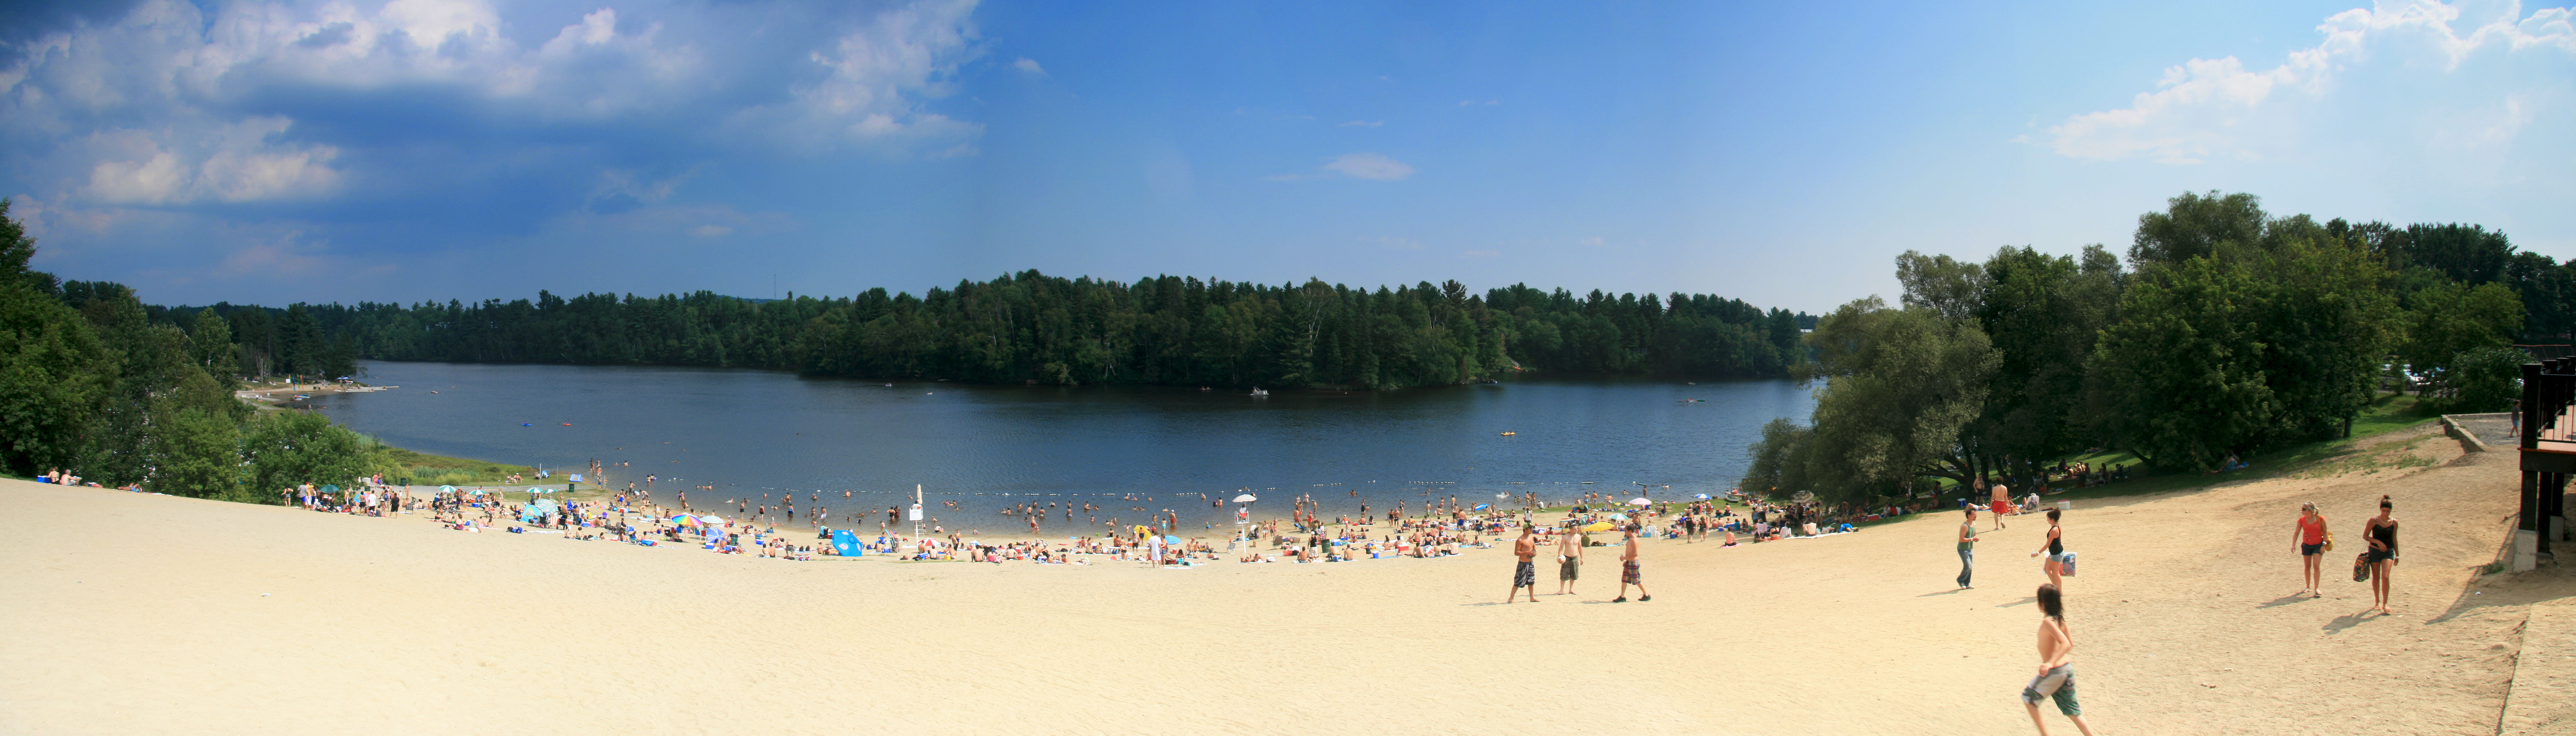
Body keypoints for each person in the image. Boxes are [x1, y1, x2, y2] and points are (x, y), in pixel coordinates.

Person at [2021, 584, 2096, 735]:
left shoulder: (2048, 622)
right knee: (2073, 712)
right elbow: (2071, 643)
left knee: (2028, 698)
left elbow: (2066, 644)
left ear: (2042, 603)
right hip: (2067, 670)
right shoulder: (2060, 620)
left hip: (2055, 672)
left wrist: (2050, 663)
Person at [2365, 496, 2398, 615]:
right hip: (2374, 551)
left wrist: (2398, 555)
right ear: (2380, 509)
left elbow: (2394, 539)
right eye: (2384, 511)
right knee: (2376, 577)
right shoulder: (2373, 521)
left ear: (2391, 511)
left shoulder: (2394, 523)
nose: (2386, 513)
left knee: (2385, 576)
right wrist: (2378, 542)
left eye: (2388, 511)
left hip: (2388, 552)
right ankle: (2377, 602)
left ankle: (2386, 603)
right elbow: (2366, 536)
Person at [2294, 502, 2328, 598]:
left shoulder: (2320, 519)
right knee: (2307, 567)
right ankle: (2308, 587)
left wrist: (2324, 546)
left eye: (2304, 509)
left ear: (2310, 511)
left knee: (2316, 566)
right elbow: (2297, 533)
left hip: (2318, 546)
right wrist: (2294, 545)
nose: (2302, 511)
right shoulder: (2302, 520)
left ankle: (2316, 589)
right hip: (2306, 546)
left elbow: (2325, 533)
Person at [1613, 525, 1650, 602]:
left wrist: (1625, 558)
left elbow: (1636, 554)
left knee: (1637, 580)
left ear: (1630, 531)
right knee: (1624, 580)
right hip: (1629, 562)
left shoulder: (1634, 540)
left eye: (1626, 531)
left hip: (1633, 563)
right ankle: (1622, 597)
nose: (1625, 532)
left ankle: (1646, 595)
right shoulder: (1630, 539)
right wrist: (1626, 561)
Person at [1507, 525, 1539, 603]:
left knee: (1531, 581)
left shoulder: (1532, 538)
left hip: (1530, 563)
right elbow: (1516, 553)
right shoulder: (1520, 540)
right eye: (1530, 529)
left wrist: (1534, 553)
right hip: (1523, 564)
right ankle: (1511, 598)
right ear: (1525, 529)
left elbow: (1534, 548)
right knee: (1518, 581)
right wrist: (1527, 553)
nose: (1532, 530)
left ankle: (1532, 598)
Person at [2039, 507, 2066, 590]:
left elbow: (2048, 544)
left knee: (2056, 573)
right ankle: (2055, 588)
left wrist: (2038, 553)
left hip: (2056, 553)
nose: (2047, 520)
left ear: (2052, 519)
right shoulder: (2058, 527)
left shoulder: (2054, 530)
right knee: (2047, 569)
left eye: (2048, 519)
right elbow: (2059, 540)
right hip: (2056, 552)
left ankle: (2059, 591)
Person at [1555, 523, 1583, 595]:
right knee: (1564, 574)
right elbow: (1561, 548)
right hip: (1567, 557)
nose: (1576, 530)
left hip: (1575, 557)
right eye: (1575, 529)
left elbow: (1580, 547)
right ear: (1570, 529)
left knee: (1574, 574)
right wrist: (1559, 557)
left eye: (1577, 529)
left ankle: (1571, 589)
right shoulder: (1566, 537)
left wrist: (1582, 558)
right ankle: (1561, 590)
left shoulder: (1579, 537)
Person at [1957, 506, 1980, 590]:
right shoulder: (1965, 526)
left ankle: (1967, 584)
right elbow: (1961, 539)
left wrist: (1976, 539)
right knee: (1969, 567)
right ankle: (1961, 581)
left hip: (1970, 549)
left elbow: (1974, 535)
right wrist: (1972, 539)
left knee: (1970, 568)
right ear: (1969, 516)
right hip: (1963, 549)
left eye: (1976, 514)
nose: (1976, 516)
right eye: (1974, 515)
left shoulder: (1974, 525)